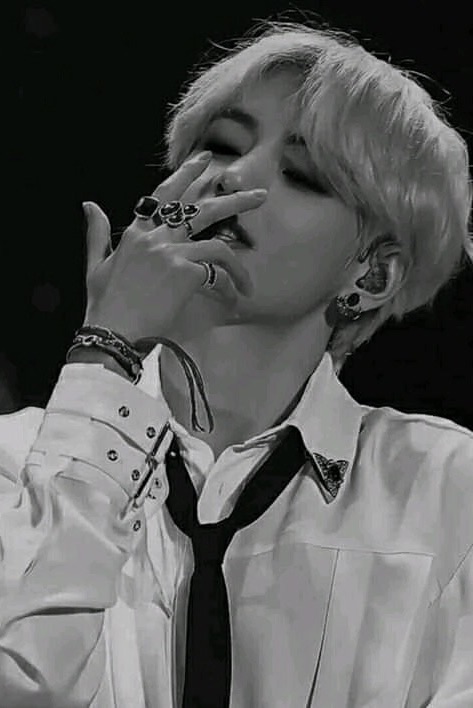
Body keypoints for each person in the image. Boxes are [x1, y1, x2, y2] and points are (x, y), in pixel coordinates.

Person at [1, 19, 472, 708]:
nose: (234, 175)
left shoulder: (446, 491)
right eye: (221, 144)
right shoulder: (17, 461)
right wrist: (105, 351)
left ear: (371, 275)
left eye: (303, 175)